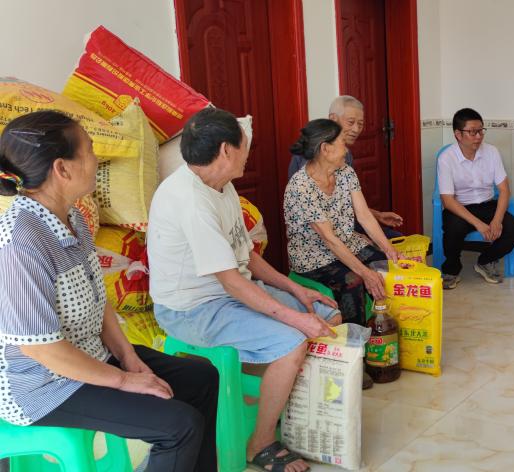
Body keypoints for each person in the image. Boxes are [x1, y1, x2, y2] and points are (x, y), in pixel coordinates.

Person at [0, 110, 219, 471]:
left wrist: (128, 357)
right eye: (88, 150)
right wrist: (123, 380)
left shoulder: (72, 219)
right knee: (178, 426)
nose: (96, 158)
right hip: (44, 386)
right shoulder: (22, 242)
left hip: (91, 357)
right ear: (62, 169)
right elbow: (43, 350)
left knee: (201, 378)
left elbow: (98, 302)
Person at [149, 108, 340, 472]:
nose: (248, 152)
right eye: (244, 144)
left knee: (326, 313)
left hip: (230, 294)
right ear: (226, 150)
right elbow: (232, 281)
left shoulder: (222, 185)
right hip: (193, 310)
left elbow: (245, 254)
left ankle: (279, 404)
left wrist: (296, 290)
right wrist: (294, 320)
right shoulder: (190, 201)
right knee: (292, 341)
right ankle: (261, 443)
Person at [285, 119, 401, 321]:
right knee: (353, 281)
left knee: (384, 264)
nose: (346, 150)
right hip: (314, 257)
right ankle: (357, 336)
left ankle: (385, 322)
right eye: (342, 144)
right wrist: (364, 272)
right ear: (325, 149)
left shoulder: (345, 172)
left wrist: (388, 249)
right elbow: (329, 240)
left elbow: (364, 216)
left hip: (347, 243)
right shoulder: (301, 187)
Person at [287, 95, 404, 238]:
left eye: (360, 124)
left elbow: (346, 202)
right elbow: (322, 218)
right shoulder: (312, 156)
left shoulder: (345, 155)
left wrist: (377, 215)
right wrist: (356, 238)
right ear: (333, 118)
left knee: (397, 238)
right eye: (351, 122)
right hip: (318, 235)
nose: (356, 129)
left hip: (345, 225)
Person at [437, 107, 514, 289]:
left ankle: (485, 261)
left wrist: (497, 220)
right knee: (454, 228)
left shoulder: (491, 152)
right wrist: (479, 224)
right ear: (458, 134)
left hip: (487, 205)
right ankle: (452, 270)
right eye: (472, 132)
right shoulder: (446, 158)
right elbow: (447, 200)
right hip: (460, 207)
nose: (478, 137)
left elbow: (504, 190)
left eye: (481, 131)